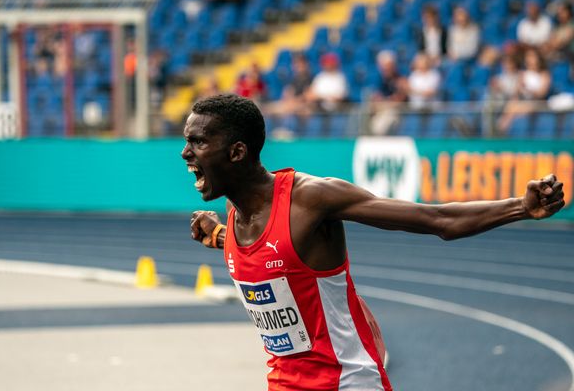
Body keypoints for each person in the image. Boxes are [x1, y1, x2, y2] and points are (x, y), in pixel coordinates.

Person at [182, 94, 565, 391]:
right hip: (284, 382)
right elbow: (275, 259)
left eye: (197, 143)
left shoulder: (311, 200)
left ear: (236, 152)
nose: (185, 154)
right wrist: (218, 235)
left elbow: (438, 220)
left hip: (347, 381)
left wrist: (520, 207)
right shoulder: (236, 217)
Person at [497, 49, 552, 135]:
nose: (529, 59)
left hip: (538, 103)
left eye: (532, 57)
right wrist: (519, 89)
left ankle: (502, 128)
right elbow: (517, 92)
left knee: (512, 111)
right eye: (528, 57)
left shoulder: (544, 74)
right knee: (511, 105)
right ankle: (503, 128)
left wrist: (529, 90)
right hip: (524, 101)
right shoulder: (523, 74)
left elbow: (542, 93)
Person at [369, 50, 408, 135]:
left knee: (385, 123)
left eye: (388, 65)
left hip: (398, 113)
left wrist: (386, 102)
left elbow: (400, 100)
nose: (386, 68)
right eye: (383, 66)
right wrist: (389, 102)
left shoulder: (400, 78)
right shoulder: (377, 79)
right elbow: (375, 101)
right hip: (380, 112)